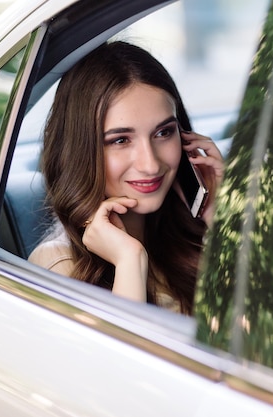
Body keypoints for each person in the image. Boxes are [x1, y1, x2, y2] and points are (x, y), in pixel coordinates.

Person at [28, 41, 224, 315]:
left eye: (163, 133)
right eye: (120, 140)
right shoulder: (58, 263)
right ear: (80, 151)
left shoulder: (194, 232)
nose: (150, 163)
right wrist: (129, 261)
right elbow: (117, 359)